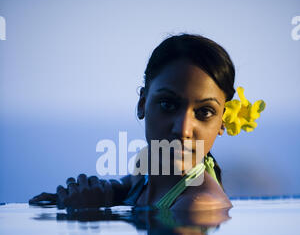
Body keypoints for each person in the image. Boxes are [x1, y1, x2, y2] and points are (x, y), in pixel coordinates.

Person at [29, 33, 265, 211]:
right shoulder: (147, 166)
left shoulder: (198, 206)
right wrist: (100, 193)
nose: (183, 129)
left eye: (204, 112)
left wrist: (92, 214)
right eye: (167, 105)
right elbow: (128, 186)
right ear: (142, 103)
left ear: (222, 121)